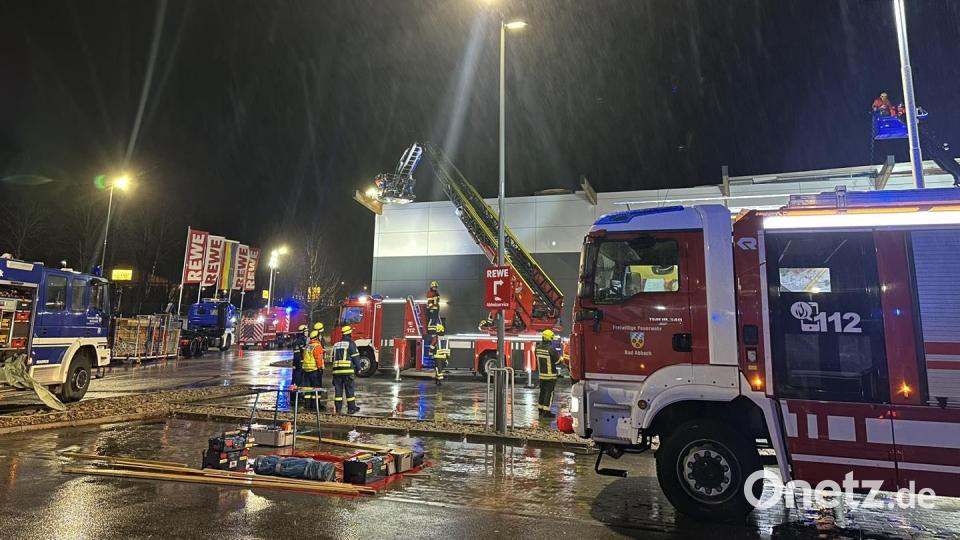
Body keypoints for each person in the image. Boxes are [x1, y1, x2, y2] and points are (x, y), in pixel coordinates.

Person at [331, 325, 361, 414]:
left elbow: (333, 358)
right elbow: (355, 357)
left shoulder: (336, 344)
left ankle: (338, 408)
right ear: (349, 333)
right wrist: (359, 368)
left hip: (336, 371)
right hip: (347, 371)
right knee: (349, 389)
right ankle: (351, 408)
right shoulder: (351, 344)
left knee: (338, 390)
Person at [535, 329, 561, 418]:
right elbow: (557, 362)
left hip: (541, 375)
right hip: (551, 376)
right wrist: (561, 359)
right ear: (550, 338)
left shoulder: (537, 348)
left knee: (542, 392)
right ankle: (546, 412)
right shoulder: (551, 349)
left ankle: (540, 410)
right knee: (549, 393)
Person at [300, 330, 325, 411]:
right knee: (316, 388)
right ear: (317, 337)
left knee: (307, 388)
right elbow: (318, 358)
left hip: (306, 370)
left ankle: (307, 405)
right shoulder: (317, 346)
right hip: (314, 369)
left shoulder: (307, 346)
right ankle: (316, 406)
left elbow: (303, 356)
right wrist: (320, 368)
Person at [289, 324, 308, 399]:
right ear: (302, 332)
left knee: (296, 380)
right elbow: (297, 354)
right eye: (306, 331)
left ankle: (294, 397)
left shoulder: (299, 340)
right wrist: (299, 365)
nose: (307, 333)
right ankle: (295, 397)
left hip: (297, 364)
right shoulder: (300, 341)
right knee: (297, 381)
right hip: (299, 364)